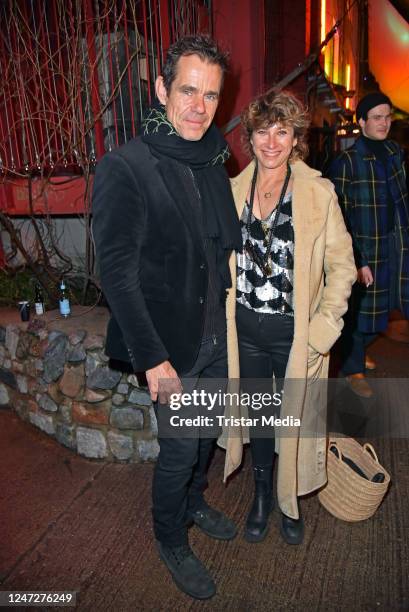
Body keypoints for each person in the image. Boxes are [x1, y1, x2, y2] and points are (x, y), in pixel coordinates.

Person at [92, 35, 242, 600]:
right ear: (160, 89)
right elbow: (119, 276)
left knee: (204, 441)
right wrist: (152, 358)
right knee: (179, 450)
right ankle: (169, 538)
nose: (199, 106)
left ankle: (196, 502)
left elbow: (216, 249)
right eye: (187, 90)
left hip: (212, 338)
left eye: (210, 95)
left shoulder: (208, 158)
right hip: (168, 346)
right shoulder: (125, 167)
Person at [225, 90, 356, 545]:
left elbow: (343, 267)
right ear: (251, 136)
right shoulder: (234, 190)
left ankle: (289, 499)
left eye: (282, 131)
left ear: (295, 137)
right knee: (260, 417)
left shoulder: (318, 193)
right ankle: (262, 493)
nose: (272, 142)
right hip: (246, 329)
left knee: (295, 420)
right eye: (263, 131)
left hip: (294, 333)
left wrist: (323, 329)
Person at [329, 92, 409, 398]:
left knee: (388, 307)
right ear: (362, 122)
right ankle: (353, 369)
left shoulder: (394, 153)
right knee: (359, 312)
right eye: (376, 117)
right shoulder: (347, 162)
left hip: (395, 244)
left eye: (387, 116)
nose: (383, 123)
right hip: (365, 248)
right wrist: (357, 259)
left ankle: (359, 352)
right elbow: (340, 218)